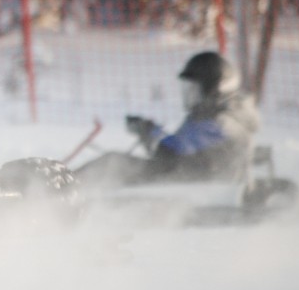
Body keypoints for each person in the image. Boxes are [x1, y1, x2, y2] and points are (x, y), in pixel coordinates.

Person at [75, 51, 261, 189]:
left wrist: (148, 131)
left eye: (195, 88)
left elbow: (171, 154)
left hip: (188, 185)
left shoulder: (221, 120)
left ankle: (63, 189)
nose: (190, 94)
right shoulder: (226, 114)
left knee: (113, 163)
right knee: (115, 164)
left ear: (214, 88)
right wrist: (149, 130)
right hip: (187, 178)